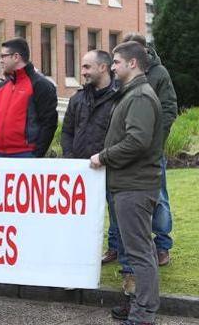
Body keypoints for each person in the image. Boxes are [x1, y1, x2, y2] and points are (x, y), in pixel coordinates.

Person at [90, 41, 162, 325]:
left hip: (135, 187)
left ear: (132, 63)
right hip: (129, 185)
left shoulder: (140, 97)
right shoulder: (132, 94)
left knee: (140, 252)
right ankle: (139, 307)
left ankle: (143, 314)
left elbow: (137, 141)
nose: (113, 66)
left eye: (117, 62)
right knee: (136, 251)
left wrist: (104, 157)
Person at [119, 32, 178, 267]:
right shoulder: (122, 74)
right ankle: (121, 246)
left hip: (151, 152)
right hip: (126, 150)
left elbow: (168, 109)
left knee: (159, 198)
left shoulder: (159, 73)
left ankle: (162, 245)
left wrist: (154, 143)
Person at [60, 50, 119, 262]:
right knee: (81, 218)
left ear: (103, 67)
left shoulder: (119, 97)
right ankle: (83, 257)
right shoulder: (78, 98)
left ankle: (119, 254)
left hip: (111, 167)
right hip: (83, 170)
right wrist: (70, 156)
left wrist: (106, 157)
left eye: (87, 67)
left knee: (117, 215)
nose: (82, 72)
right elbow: (67, 131)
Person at [0, 37, 58, 158]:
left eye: (3, 56)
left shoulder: (41, 85)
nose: (1, 60)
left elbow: (49, 123)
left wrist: (36, 155)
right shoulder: (2, 87)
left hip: (25, 155)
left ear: (16, 57)